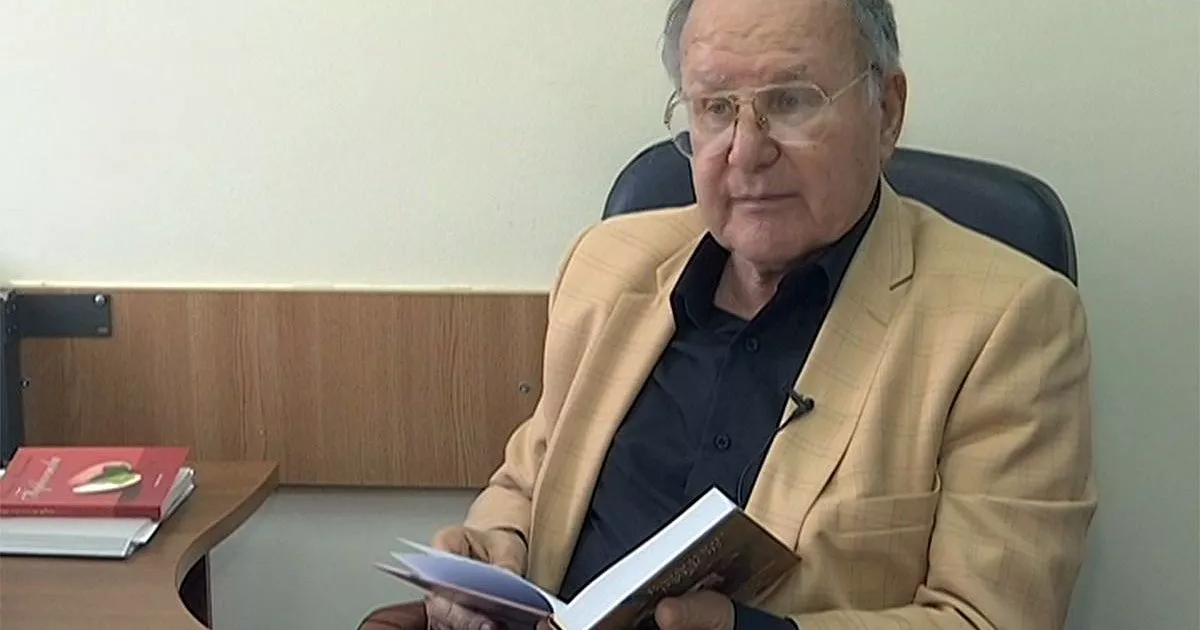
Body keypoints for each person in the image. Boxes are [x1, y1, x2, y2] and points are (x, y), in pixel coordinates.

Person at [361, 0, 1096, 628]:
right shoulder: (606, 266)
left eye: (792, 101)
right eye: (716, 109)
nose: (746, 152)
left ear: (887, 112)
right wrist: (495, 551)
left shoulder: (1009, 322)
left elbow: (989, 618)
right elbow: (529, 482)